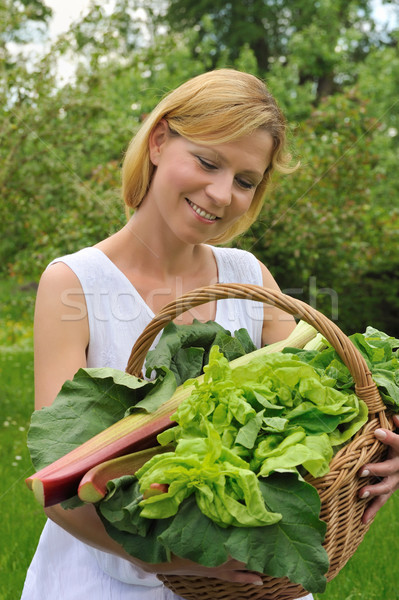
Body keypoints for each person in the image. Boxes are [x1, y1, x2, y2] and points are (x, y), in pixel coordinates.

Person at [21, 69, 399, 600]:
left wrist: (376, 451)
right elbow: (59, 489)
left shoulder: (248, 276)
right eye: (207, 161)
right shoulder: (74, 283)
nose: (222, 194)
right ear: (158, 141)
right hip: (113, 577)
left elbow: (318, 416)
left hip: (249, 576)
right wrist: (176, 558)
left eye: (246, 181)